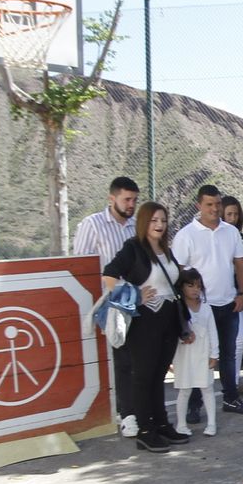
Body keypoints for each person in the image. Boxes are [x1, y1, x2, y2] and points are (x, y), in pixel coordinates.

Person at [101, 202, 186, 454]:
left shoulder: (166, 250)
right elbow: (109, 275)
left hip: (168, 318)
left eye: (162, 220)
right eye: (153, 221)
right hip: (145, 320)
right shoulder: (133, 248)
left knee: (159, 375)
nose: (159, 225)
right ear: (144, 223)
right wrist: (134, 294)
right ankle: (145, 431)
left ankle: (161, 423)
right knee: (143, 375)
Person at [173, 185, 243, 419]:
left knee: (229, 354)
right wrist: (186, 304)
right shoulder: (185, 235)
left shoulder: (230, 232)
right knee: (201, 356)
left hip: (228, 303)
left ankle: (231, 398)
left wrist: (241, 294)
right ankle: (194, 405)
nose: (215, 209)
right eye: (209, 204)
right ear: (199, 205)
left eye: (218, 204)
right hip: (199, 308)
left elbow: (240, 263)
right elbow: (178, 272)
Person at [72, 175, 140, 436]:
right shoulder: (92, 224)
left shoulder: (137, 225)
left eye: (135, 199)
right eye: (127, 199)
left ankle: (137, 410)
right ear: (112, 199)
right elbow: (81, 266)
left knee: (135, 360)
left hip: (136, 301)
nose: (131, 204)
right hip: (110, 306)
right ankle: (127, 415)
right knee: (121, 361)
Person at [171, 268, 219, 439]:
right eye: (190, 285)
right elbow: (173, 332)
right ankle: (181, 425)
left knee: (207, 388)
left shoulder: (206, 308)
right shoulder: (177, 308)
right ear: (182, 287)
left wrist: (214, 354)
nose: (195, 289)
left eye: (198, 286)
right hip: (183, 355)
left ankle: (212, 423)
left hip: (203, 354)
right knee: (184, 390)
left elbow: (213, 331)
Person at [220, 194, 243, 376]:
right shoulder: (216, 236)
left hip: (239, 292)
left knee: (240, 338)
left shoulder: (239, 237)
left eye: (236, 214)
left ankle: (234, 381)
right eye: (229, 214)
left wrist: (237, 266)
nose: (233, 219)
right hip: (217, 292)